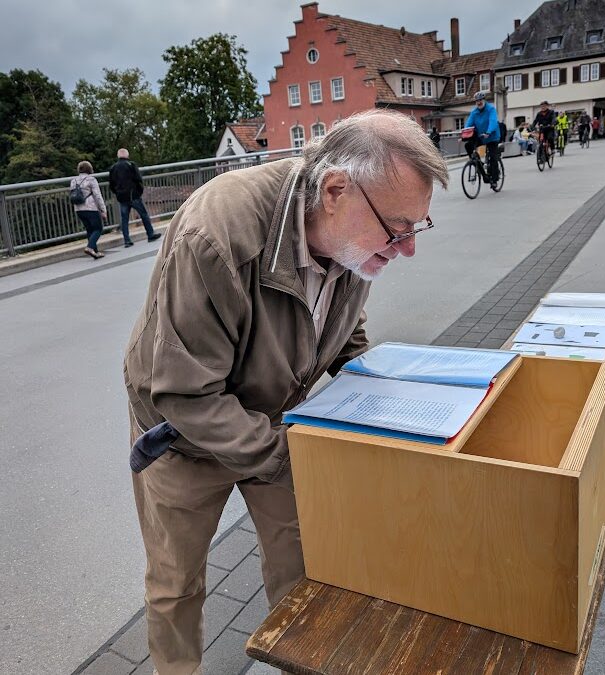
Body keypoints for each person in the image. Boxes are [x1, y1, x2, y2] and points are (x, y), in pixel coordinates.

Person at [124, 110, 449, 675]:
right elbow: (185, 394)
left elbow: (346, 329)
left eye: (415, 228)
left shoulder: (350, 234)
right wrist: (287, 455)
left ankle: (301, 661)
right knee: (176, 584)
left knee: (305, 564)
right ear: (334, 190)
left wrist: (393, 393)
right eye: (398, 229)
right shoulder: (218, 233)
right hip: (182, 436)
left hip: (270, 415)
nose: (407, 249)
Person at [109, 148, 162, 247]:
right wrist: (139, 191)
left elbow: (111, 184)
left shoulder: (113, 168)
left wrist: (117, 193)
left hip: (122, 197)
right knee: (144, 215)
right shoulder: (131, 165)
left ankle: (127, 240)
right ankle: (150, 234)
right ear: (127, 156)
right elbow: (138, 179)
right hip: (134, 195)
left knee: (124, 219)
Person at [70, 161, 107, 259]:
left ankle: (95, 252)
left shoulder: (74, 180)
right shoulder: (91, 179)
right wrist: (103, 210)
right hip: (91, 207)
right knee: (98, 228)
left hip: (78, 208)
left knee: (90, 229)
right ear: (89, 169)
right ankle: (90, 247)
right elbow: (97, 196)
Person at [464, 91, 501, 187]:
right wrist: (464, 135)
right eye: (477, 101)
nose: (478, 102)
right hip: (481, 136)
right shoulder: (474, 112)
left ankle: (494, 179)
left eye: (480, 100)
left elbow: (493, 121)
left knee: (493, 157)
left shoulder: (491, 109)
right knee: (468, 145)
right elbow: (469, 124)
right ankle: (477, 164)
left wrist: (489, 132)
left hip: (492, 136)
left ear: (484, 100)